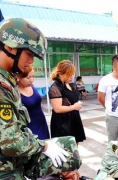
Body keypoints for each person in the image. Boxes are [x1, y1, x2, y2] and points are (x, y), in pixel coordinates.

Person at [0, 18, 81, 179]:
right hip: (6, 171)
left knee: (70, 150)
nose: (31, 61)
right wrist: (43, 146)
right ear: (10, 45)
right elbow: (9, 142)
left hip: (14, 165)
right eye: (29, 53)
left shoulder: (8, 79)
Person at [49, 60, 86, 144]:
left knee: (75, 146)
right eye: (69, 74)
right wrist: (74, 107)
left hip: (74, 118)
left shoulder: (72, 85)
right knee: (65, 149)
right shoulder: (55, 87)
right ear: (60, 74)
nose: (72, 77)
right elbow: (57, 109)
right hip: (62, 123)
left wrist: (77, 104)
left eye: (73, 74)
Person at [16, 65, 50, 140]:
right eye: (28, 77)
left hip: (41, 122)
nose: (31, 80)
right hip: (28, 127)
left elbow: (38, 103)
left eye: (33, 76)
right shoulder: (15, 92)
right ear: (18, 76)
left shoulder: (31, 86)